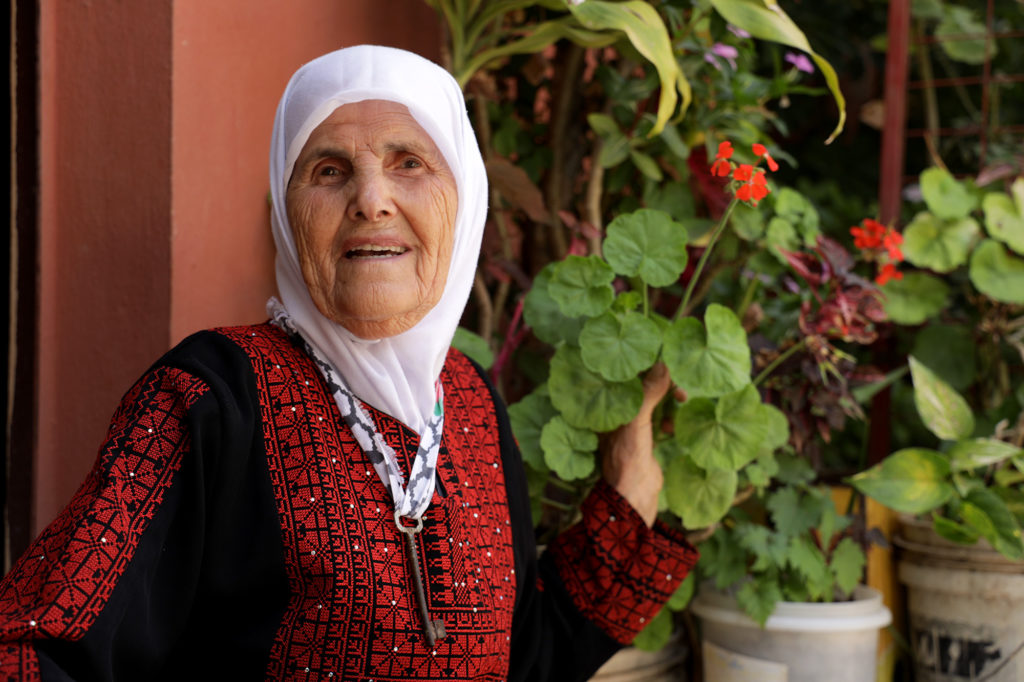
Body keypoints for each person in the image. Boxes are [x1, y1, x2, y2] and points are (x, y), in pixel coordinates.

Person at [0, 45, 696, 680]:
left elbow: (525, 660)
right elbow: (43, 641)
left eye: (410, 163)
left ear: (466, 196)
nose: (371, 200)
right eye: (329, 171)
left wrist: (628, 497)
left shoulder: (468, 399)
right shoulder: (209, 395)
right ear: (287, 207)